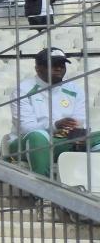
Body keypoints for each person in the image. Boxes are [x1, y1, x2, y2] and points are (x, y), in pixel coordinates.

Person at [7, 48, 100, 176]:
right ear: (38, 68)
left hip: (64, 142)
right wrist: (55, 126)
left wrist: (78, 134)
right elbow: (26, 128)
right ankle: (42, 193)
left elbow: (80, 121)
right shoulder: (22, 90)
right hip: (26, 144)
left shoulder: (75, 90)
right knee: (38, 136)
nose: (59, 68)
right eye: (53, 65)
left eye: (62, 64)